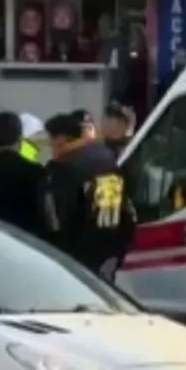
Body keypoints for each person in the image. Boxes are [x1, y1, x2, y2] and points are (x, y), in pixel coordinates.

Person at [40, 112, 136, 280]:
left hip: (78, 256)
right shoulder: (107, 159)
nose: (51, 148)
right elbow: (126, 207)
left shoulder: (63, 168)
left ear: (61, 139)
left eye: (51, 141)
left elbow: (55, 220)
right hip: (111, 252)